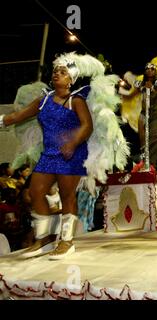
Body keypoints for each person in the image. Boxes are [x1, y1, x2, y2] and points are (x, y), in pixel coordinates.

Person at [0, 53, 129, 260]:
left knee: (67, 195)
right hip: (49, 154)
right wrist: (1, 121)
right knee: (35, 192)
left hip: (72, 153)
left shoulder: (76, 100)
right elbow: (18, 116)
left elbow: (87, 126)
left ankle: (66, 241)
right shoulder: (43, 101)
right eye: (55, 72)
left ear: (71, 79)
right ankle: (45, 237)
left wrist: (72, 142)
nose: (57, 74)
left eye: (63, 72)